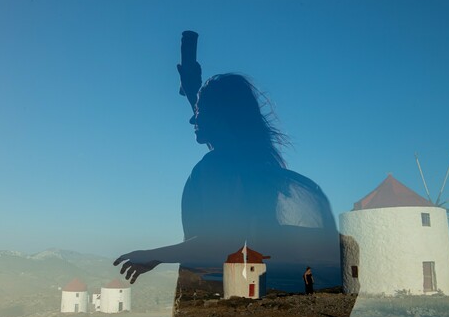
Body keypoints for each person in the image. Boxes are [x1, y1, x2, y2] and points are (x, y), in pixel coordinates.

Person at [114, 52, 340, 288]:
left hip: (216, 291)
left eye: (200, 112)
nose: (193, 120)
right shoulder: (253, 163)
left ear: (222, 116)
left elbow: (220, 243)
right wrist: (194, 90)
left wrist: (153, 255)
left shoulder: (217, 166)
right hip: (250, 286)